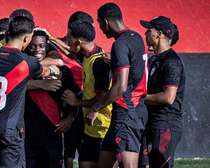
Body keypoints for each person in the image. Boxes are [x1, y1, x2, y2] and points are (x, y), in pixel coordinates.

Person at [0, 16, 59, 168]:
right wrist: (54, 69)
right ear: (26, 38)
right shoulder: (27, 62)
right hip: (9, 131)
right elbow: (46, 71)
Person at [93, 3, 148, 168]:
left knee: (128, 165)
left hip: (127, 112)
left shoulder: (120, 44)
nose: (101, 29)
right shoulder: (136, 37)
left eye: (100, 24)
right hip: (131, 110)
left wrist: (97, 106)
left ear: (106, 21)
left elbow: (120, 87)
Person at [24, 30, 81, 168]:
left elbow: (76, 96)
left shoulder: (62, 72)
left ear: (47, 47)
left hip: (53, 133)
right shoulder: (21, 68)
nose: (37, 50)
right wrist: (41, 84)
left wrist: (69, 118)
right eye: (33, 46)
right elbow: (12, 85)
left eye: (41, 46)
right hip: (26, 135)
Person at [62, 21, 112, 168]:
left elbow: (103, 97)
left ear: (78, 41)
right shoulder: (86, 55)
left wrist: (77, 102)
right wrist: (50, 37)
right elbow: (68, 51)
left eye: (69, 37)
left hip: (102, 128)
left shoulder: (99, 63)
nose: (67, 40)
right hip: (90, 128)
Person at [140, 16, 185, 168]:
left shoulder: (172, 61)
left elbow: (168, 97)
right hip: (151, 123)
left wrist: (139, 98)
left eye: (148, 30)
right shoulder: (154, 60)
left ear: (159, 34)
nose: (145, 33)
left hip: (165, 124)